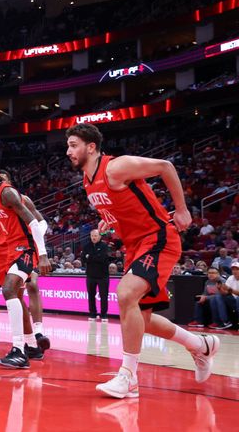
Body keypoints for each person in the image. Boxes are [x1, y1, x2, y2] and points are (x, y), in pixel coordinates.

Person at [66, 123, 219, 398]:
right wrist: (107, 223)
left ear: (91, 147)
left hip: (158, 237)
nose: (69, 151)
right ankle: (201, 345)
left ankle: (128, 377)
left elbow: (165, 166)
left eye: (74, 145)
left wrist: (182, 209)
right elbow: (121, 210)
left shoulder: (115, 167)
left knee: (125, 294)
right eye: (68, 145)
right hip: (136, 246)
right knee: (142, 320)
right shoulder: (88, 181)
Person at [0, 161, 51, 368]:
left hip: (25, 248)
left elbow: (34, 222)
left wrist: (42, 255)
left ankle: (18, 351)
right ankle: (32, 346)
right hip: (8, 249)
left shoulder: (9, 194)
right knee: (14, 295)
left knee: (10, 289)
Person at [83, 229, 111, 321]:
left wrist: (90, 257)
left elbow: (102, 258)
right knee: (91, 295)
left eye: (95, 236)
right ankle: (92, 314)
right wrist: (93, 257)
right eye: (92, 236)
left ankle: (104, 314)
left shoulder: (104, 246)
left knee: (104, 296)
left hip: (103, 275)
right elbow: (83, 259)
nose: (93, 237)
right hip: (90, 275)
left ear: (100, 236)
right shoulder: (87, 246)